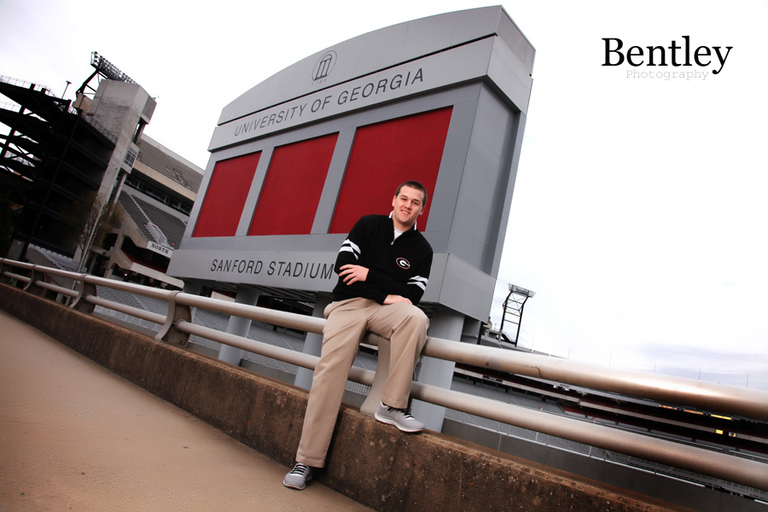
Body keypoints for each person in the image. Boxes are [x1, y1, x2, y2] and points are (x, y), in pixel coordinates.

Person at [283, 181, 434, 490]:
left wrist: (370, 275)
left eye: (415, 202)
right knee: (330, 372)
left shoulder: (423, 249)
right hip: (348, 304)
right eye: (403, 198)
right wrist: (387, 290)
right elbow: (343, 268)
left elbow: (412, 297)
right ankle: (306, 460)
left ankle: (392, 406)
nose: (407, 205)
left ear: (422, 209)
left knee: (416, 318)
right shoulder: (368, 225)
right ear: (393, 200)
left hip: (386, 310)